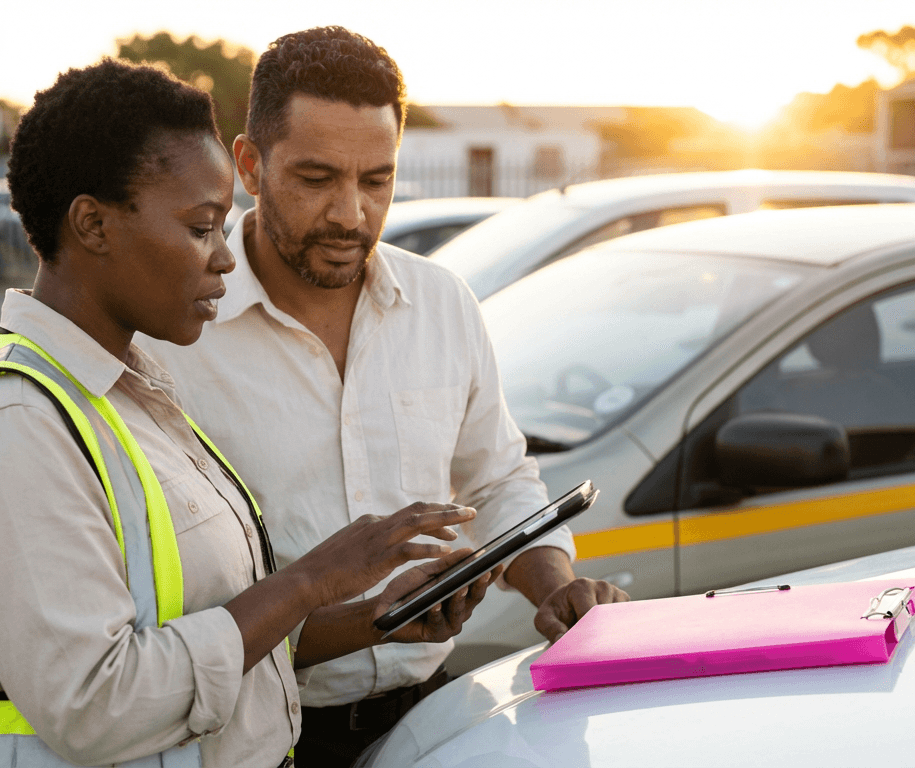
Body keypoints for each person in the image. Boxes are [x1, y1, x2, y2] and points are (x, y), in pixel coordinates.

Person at [0, 58, 498, 768]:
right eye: (201, 228)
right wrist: (309, 579)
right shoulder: (16, 427)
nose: (224, 258)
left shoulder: (136, 395)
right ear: (93, 224)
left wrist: (372, 619)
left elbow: (214, 636)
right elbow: (98, 708)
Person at [139, 27, 630, 767]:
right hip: (258, 739)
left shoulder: (441, 302)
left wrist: (554, 589)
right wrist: (371, 621)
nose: (351, 214)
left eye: (376, 180)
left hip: (436, 716)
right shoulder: (171, 336)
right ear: (249, 164)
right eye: (316, 178)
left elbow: (497, 478)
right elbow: (170, 610)